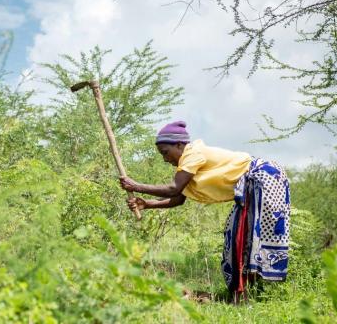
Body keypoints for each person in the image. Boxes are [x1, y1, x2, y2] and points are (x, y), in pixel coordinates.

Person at [119, 121, 290, 302]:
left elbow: (174, 189)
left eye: (165, 152)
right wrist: (148, 204)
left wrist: (136, 186)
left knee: (248, 237)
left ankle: (250, 296)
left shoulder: (193, 153)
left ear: (179, 145)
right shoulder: (187, 165)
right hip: (250, 186)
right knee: (236, 237)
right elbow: (178, 199)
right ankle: (242, 294)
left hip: (265, 178)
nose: (165, 159)